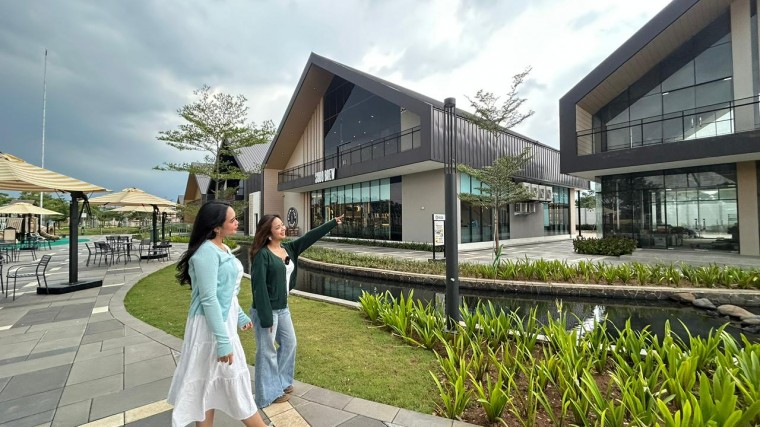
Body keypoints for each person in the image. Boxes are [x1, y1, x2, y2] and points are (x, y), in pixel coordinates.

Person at [167, 201, 269, 427]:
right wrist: (223, 341)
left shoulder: (222, 248)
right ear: (216, 227)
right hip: (209, 328)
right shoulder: (206, 253)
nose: (237, 223)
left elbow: (226, 292)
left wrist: (240, 316)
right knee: (228, 383)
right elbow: (209, 299)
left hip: (222, 323)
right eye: (232, 220)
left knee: (208, 384)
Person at [249, 213, 344, 408]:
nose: (283, 228)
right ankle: (266, 395)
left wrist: (332, 223)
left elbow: (309, 237)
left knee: (290, 343)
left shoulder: (288, 248)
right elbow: (259, 289)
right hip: (267, 311)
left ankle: (282, 382)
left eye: (282, 225)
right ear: (268, 233)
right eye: (278, 227)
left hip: (283, 308)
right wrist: (266, 319)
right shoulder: (262, 255)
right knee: (266, 352)